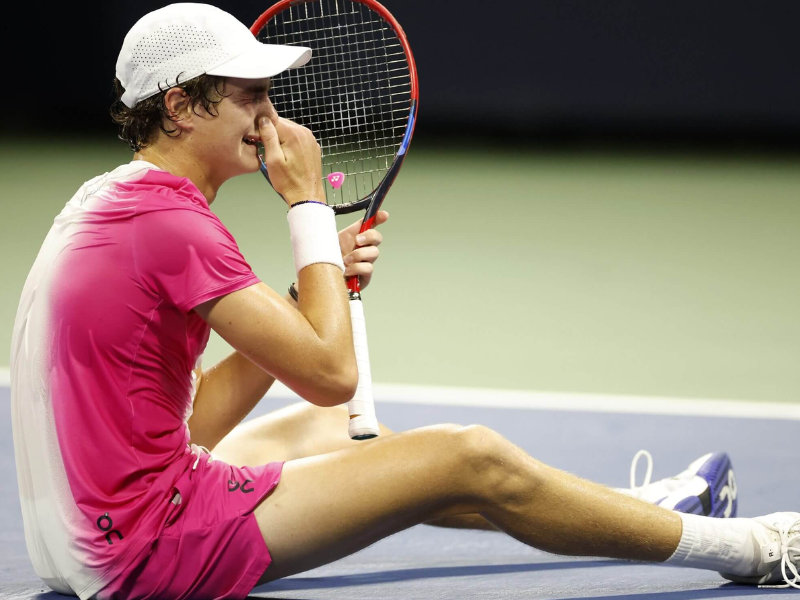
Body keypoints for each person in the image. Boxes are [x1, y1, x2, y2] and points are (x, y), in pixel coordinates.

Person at [10, 4, 799, 600]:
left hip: (78, 544)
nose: (272, 119)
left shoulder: (112, 204)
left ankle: (642, 508)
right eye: (250, 97)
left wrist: (304, 292)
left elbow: (192, 421)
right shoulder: (176, 225)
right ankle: (752, 548)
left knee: (327, 433)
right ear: (182, 107)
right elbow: (332, 374)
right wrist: (309, 206)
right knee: (468, 456)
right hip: (144, 552)